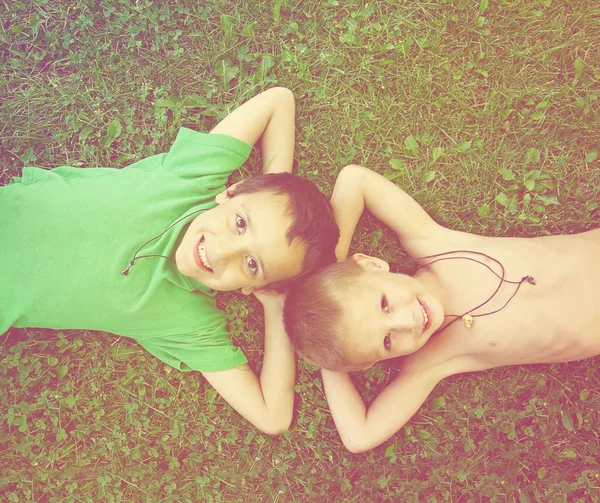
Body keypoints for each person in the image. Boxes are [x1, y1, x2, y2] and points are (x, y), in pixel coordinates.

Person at [0, 87, 339, 435]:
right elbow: (278, 101)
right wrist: (270, 191)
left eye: (252, 265)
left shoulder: (191, 322)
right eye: (240, 223)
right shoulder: (193, 180)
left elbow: (273, 417)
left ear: (252, 288)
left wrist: (275, 304)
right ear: (233, 192)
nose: (222, 253)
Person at [283, 164, 600, 452]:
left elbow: (355, 180)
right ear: (372, 362)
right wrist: (335, 360)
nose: (407, 321)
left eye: (384, 304)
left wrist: (330, 270)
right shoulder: (431, 361)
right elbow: (358, 436)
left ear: (372, 264)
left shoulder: (435, 245)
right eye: (387, 341)